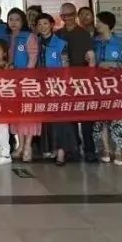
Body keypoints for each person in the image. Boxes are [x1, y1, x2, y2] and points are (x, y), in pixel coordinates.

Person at [90, 12, 122, 166]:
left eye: (100, 22)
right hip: (98, 86)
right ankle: (106, 149)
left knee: (119, 118)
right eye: (97, 22)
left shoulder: (121, 43)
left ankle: (119, 150)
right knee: (101, 119)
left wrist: (111, 64)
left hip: (118, 86)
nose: (97, 25)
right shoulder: (93, 42)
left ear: (109, 24)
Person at [35, 14, 77, 166]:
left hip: (58, 86)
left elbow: (66, 66)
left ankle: (61, 152)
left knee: (61, 120)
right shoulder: (36, 43)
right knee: (49, 120)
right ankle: (52, 148)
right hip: (41, 87)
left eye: (45, 23)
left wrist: (64, 86)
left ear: (52, 25)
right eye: (39, 24)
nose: (42, 27)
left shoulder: (61, 43)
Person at [56, 3, 96, 162]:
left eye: (70, 14)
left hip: (82, 81)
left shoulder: (84, 34)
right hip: (63, 82)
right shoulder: (57, 34)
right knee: (68, 117)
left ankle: (89, 150)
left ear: (75, 15)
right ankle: (72, 149)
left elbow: (91, 58)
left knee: (86, 118)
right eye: (63, 15)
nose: (67, 18)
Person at [6, 8, 40, 162]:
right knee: (17, 115)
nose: (13, 22)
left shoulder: (29, 36)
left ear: (23, 21)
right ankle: (20, 145)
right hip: (13, 82)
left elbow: (32, 58)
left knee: (29, 115)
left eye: (17, 19)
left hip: (28, 82)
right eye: (10, 19)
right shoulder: (10, 37)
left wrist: (25, 78)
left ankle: (27, 147)